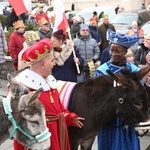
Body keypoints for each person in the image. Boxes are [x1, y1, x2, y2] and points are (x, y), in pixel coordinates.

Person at [13, 38, 85, 150]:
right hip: (39, 140)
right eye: (52, 61)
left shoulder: (50, 82)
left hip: (56, 133)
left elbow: (59, 109)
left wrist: (69, 117)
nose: (54, 64)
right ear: (42, 63)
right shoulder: (21, 87)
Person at [94, 29, 140, 150]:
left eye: (118, 51)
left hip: (130, 120)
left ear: (125, 51)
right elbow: (96, 98)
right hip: (110, 121)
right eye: (111, 50)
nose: (113, 54)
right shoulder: (102, 71)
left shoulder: (134, 71)